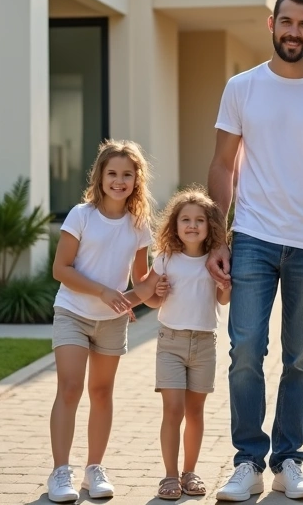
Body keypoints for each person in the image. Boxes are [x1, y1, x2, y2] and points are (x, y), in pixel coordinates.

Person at [207, 0, 303, 502]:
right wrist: (218, 236)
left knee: (301, 358)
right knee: (245, 349)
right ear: (272, 24)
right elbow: (223, 164)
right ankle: (247, 461)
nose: (294, 32)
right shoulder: (242, 87)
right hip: (252, 237)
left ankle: (289, 460)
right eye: (286, 22)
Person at [45, 140, 154, 502]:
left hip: (111, 322)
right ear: (100, 176)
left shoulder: (139, 224)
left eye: (127, 175)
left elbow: (141, 282)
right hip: (73, 313)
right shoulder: (82, 215)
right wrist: (104, 292)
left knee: (102, 393)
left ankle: (94, 469)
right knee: (70, 388)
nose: (119, 181)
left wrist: (155, 288)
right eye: (112, 173)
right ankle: (61, 472)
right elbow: (61, 269)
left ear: (136, 180)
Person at [123, 187, 232, 500]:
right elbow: (151, 299)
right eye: (186, 219)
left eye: (200, 220)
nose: (192, 225)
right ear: (175, 224)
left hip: (205, 343)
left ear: (210, 225)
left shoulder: (215, 260)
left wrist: (225, 285)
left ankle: (190, 472)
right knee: (173, 410)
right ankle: (170, 476)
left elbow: (223, 299)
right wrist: (150, 293)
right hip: (170, 343)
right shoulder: (166, 259)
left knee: (195, 412)